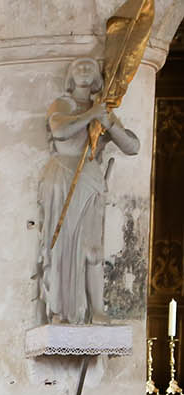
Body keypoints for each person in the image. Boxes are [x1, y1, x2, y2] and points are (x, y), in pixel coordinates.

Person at [39, 56, 139, 324]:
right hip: (63, 177)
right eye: (78, 67)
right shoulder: (64, 104)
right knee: (61, 246)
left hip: (91, 178)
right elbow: (60, 130)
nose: (84, 69)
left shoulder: (103, 110)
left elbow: (132, 146)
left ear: (97, 78)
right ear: (70, 77)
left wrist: (110, 123)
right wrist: (91, 115)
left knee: (93, 248)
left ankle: (97, 309)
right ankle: (60, 310)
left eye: (89, 67)